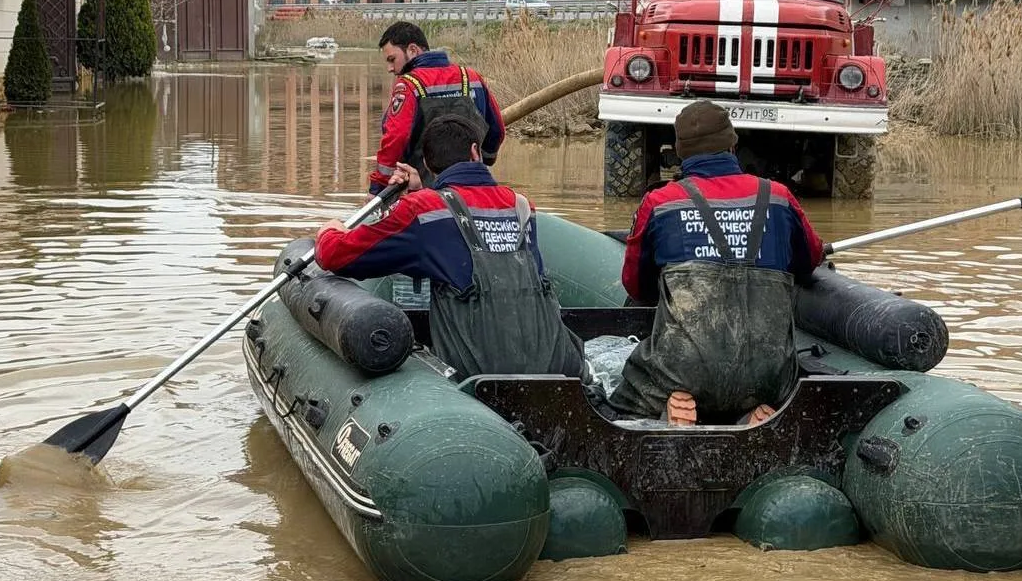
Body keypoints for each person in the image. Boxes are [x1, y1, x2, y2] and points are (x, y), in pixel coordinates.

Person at [318, 114, 585, 381]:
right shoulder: (521, 205)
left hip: (477, 377)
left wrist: (330, 231)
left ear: (426, 162)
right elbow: (462, 236)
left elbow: (337, 257)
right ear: (475, 151)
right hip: (557, 369)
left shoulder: (422, 210)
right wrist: (421, 193)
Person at [608, 100, 825, 426]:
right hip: (770, 374)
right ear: (733, 144)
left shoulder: (660, 202)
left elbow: (636, 287)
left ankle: (672, 403)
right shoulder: (779, 196)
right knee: (764, 385)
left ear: (679, 152)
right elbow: (808, 262)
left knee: (618, 404)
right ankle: (752, 410)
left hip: (683, 370)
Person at [369, 21, 506, 196]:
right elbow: (497, 131)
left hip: (425, 193)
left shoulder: (408, 85)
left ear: (412, 50)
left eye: (392, 59)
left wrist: (378, 188)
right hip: (475, 191)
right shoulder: (471, 77)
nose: (390, 68)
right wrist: (484, 161)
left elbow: (396, 137)